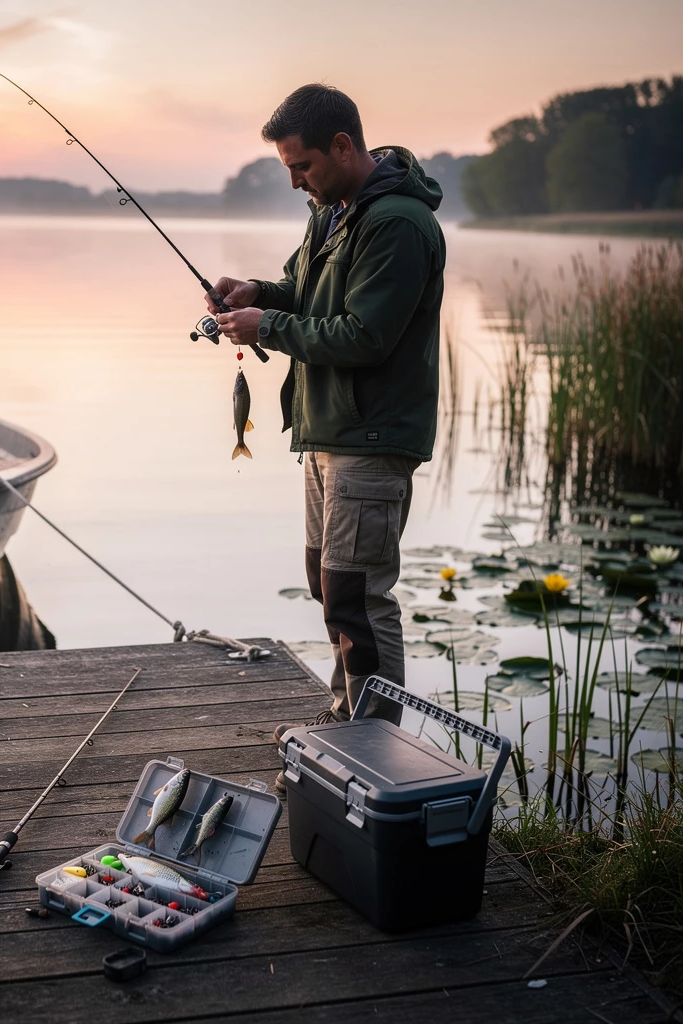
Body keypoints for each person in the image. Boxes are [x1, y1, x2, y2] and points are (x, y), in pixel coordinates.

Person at [207, 84, 445, 791]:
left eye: (301, 164)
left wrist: (268, 329)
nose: (293, 180)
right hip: (324, 433)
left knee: (360, 601)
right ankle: (346, 722)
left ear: (343, 146)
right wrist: (257, 293)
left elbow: (367, 337)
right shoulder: (331, 212)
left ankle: (367, 756)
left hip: (370, 440)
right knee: (327, 585)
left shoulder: (397, 224)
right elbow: (303, 293)